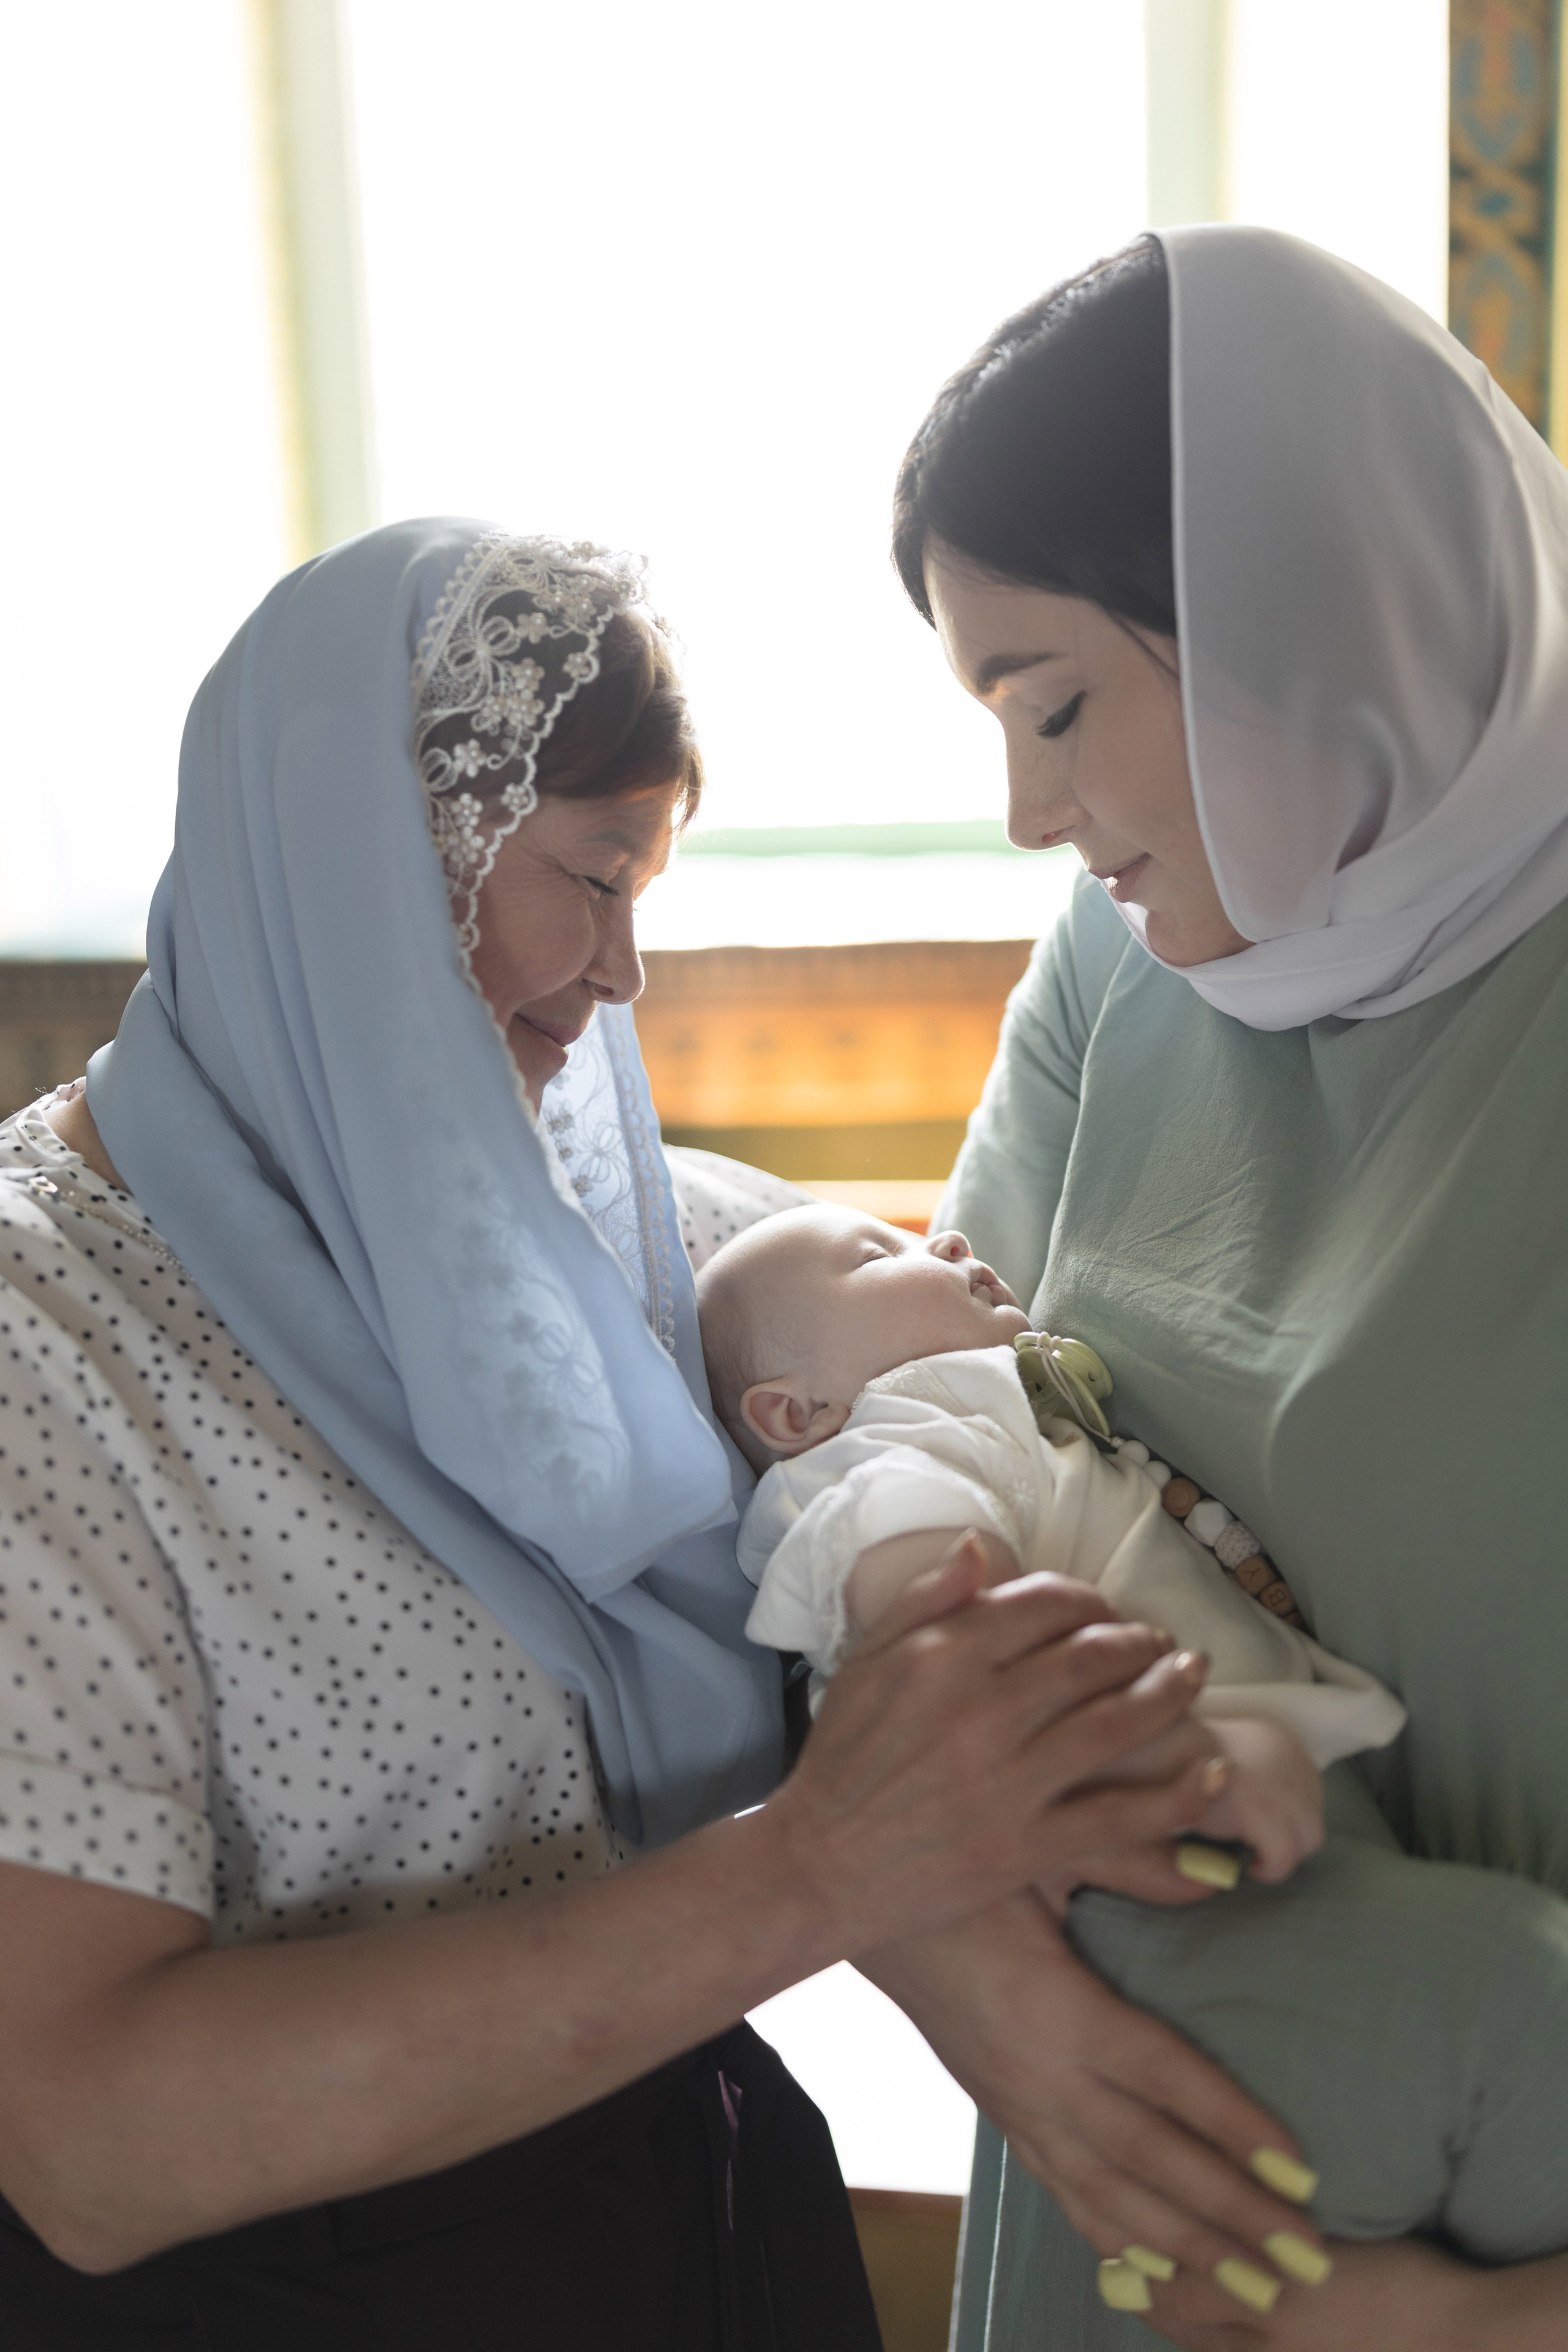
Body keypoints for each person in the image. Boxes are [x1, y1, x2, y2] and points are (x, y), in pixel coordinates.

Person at [0, 522, 1243, 2350]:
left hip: (689, 2211)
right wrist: (818, 1866)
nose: (619, 976)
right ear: (357, 876)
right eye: (593, 875)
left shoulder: (633, 1249)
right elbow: (93, 2136)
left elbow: (930, 1538)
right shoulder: (47, 1337)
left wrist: (1020, 2008)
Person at [886, 225, 1568, 2346]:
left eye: (1060, 703)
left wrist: (1463, 2330)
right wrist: (988, 1986)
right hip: (1144, 2151)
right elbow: (922, 1468)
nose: (1023, 811)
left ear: (1299, 616)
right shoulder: (1126, 960)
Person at [698, 1198, 1404, 1902]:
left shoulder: (981, 1423)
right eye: (879, 1256)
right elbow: (959, 1661)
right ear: (796, 1413)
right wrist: (1178, 1754)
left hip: (1259, 1775)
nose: (946, 1240)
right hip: (1167, 1805)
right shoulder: (881, 1462)